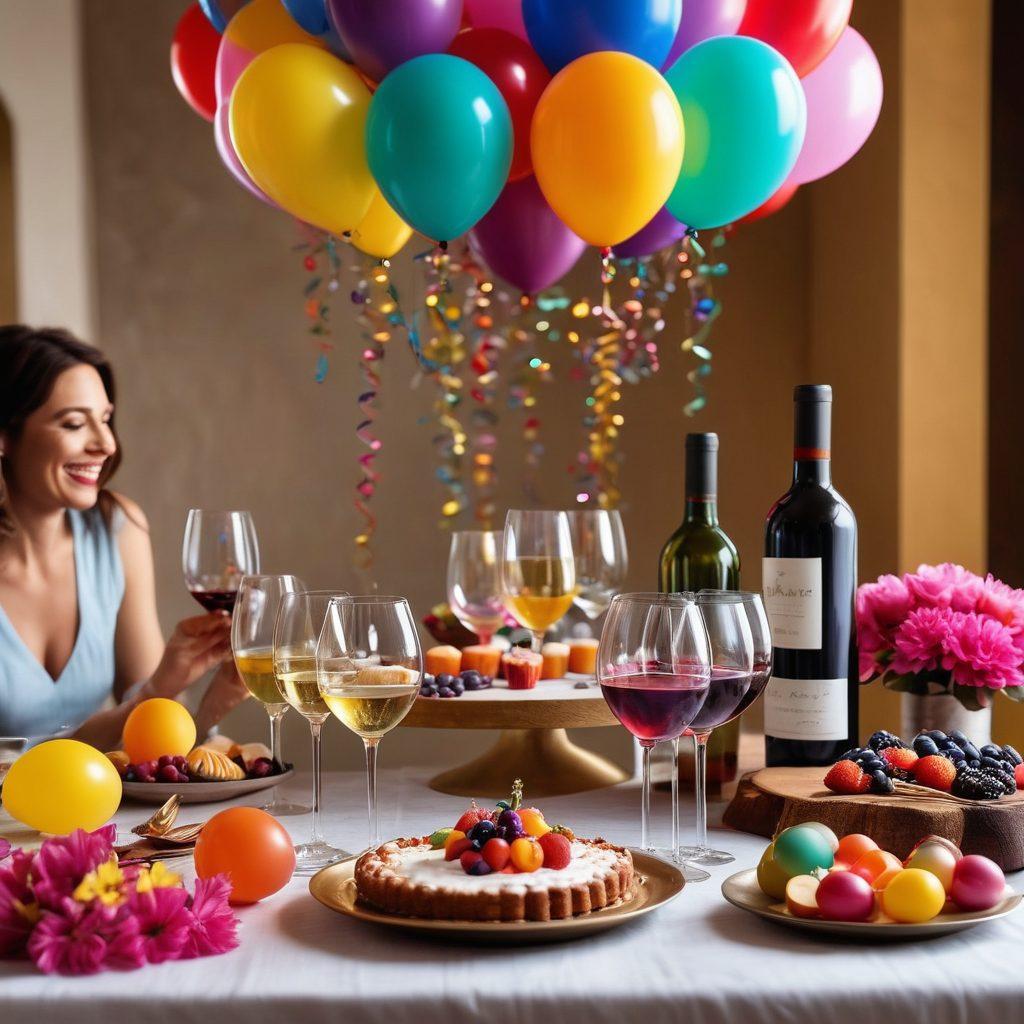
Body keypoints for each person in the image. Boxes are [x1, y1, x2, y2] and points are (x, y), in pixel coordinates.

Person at [0, 324, 250, 750]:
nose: (106, 444)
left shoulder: (117, 530)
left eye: (105, 420)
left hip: (89, 813)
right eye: (74, 423)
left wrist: (199, 700)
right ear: (4, 436)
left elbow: (146, 742)